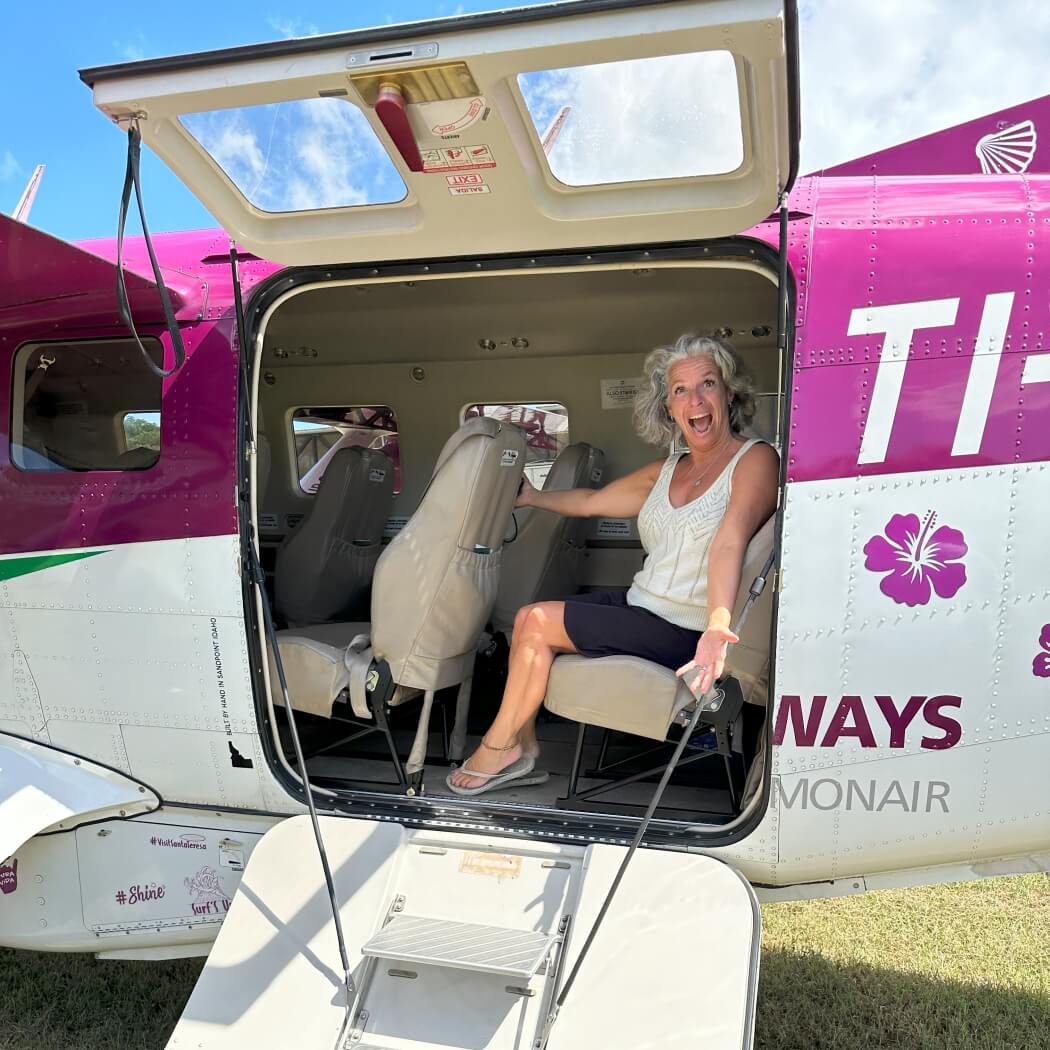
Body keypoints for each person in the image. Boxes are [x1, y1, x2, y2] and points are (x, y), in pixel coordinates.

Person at [447, 334, 779, 795]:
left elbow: (730, 541)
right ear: (667, 406)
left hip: (684, 628)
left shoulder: (755, 459)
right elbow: (592, 501)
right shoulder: (668, 469)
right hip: (640, 606)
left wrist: (716, 627)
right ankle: (521, 745)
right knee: (527, 619)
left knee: (538, 622)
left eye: (707, 384)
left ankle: (499, 746)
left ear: (729, 392)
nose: (695, 400)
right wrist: (531, 497)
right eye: (680, 390)